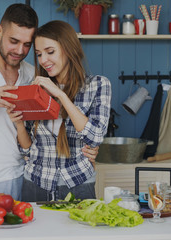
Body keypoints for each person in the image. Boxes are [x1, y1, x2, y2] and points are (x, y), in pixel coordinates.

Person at [0, 4, 98, 203]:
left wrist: (87, 147)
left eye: (27, 44)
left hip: (20, 177)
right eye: (14, 41)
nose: (20, 50)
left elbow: (46, 132)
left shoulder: (32, 74)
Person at [7, 20, 112, 202]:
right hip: (35, 184)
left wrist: (61, 95)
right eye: (39, 54)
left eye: (50, 52)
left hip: (78, 183)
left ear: (68, 48)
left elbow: (94, 137)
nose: (43, 60)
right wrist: (18, 124)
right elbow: (28, 151)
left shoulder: (98, 85)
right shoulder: (36, 89)